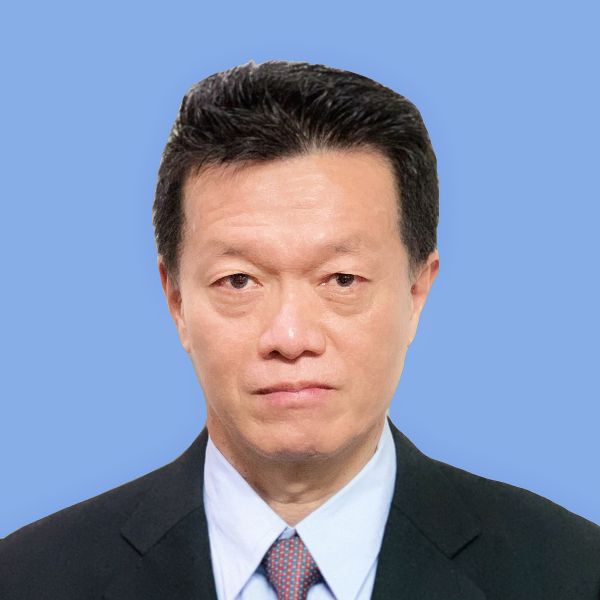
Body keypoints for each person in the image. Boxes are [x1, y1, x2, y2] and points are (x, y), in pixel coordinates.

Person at [1, 59, 599, 600]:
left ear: (417, 292)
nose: (290, 338)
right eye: (239, 281)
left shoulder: (572, 572)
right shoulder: (29, 577)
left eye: (342, 279)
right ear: (176, 300)